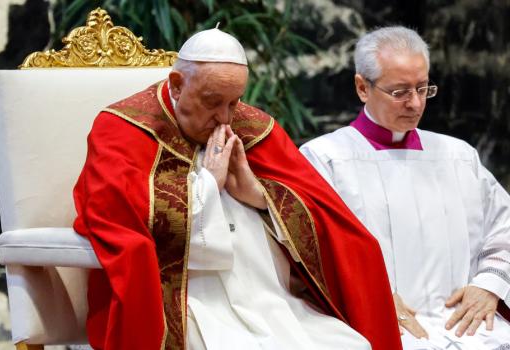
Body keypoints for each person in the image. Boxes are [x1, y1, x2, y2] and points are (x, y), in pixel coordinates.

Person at [72, 28, 402, 350]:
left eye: (235, 102)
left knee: (351, 344)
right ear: (176, 85)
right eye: (212, 102)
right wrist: (208, 186)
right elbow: (118, 222)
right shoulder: (122, 129)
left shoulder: (252, 127)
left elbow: (330, 221)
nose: (225, 118)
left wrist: (259, 196)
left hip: (269, 302)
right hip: (188, 305)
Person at [301, 26, 510, 350]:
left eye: (423, 88)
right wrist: (371, 298)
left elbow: (504, 225)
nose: (415, 103)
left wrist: (489, 285)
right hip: (372, 324)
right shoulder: (325, 159)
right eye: (399, 92)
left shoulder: (458, 156)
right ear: (362, 87)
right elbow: (314, 249)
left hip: (469, 327)